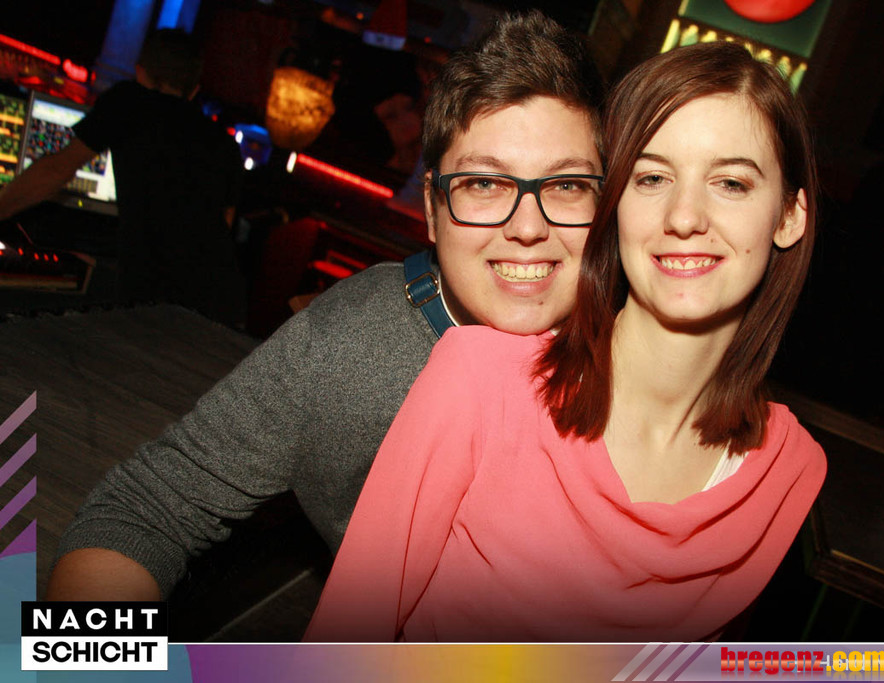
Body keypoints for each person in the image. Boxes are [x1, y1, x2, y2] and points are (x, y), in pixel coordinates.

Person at [45, 11, 605, 604]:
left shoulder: (649, 356)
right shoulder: (353, 342)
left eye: (567, 186)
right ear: (432, 208)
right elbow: (149, 507)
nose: (527, 227)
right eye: (484, 184)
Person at [304, 41, 826, 642]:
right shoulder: (482, 381)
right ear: (613, 203)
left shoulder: (788, 468)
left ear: (789, 215)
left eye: (731, 183)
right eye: (652, 177)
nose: (685, 217)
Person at [0, 29, 246, 325]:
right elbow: (223, 223)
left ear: (140, 72)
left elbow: (56, 170)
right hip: (222, 302)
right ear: (194, 90)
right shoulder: (224, 142)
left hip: (159, 301)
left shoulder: (129, 102)